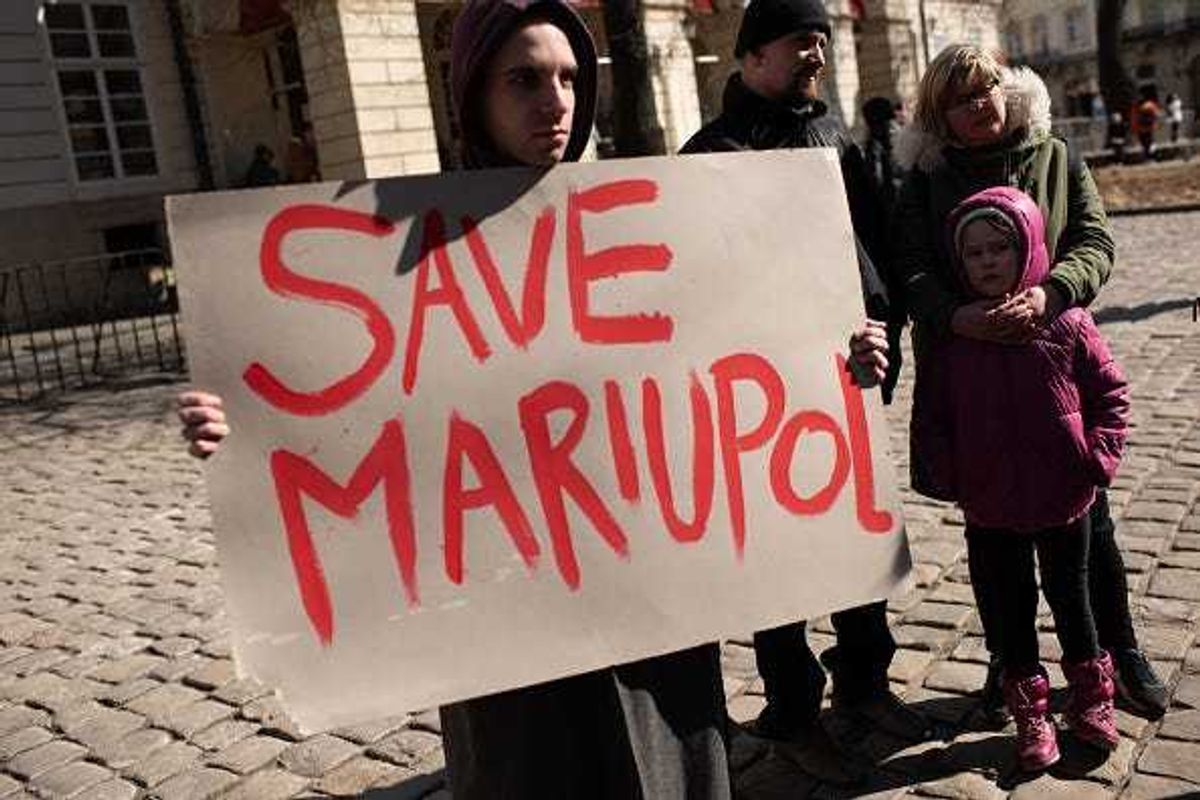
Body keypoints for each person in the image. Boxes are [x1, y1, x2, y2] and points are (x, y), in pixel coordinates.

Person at [181, 2, 736, 797]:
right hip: (505, 613)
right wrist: (239, 421)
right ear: (474, 92)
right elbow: (340, 407)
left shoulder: (649, 222)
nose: (556, 102)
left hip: (647, 597)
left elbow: (737, 360)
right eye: (524, 79)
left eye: (572, 78)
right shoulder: (404, 245)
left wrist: (832, 356)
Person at [679, 0, 928, 786]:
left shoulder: (834, 137)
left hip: (850, 376)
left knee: (856, 540)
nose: (816, 53)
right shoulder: (707, 154)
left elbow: (874, 242)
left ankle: (866, 681)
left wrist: (887, 327)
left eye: (822, 38)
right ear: (751, 57)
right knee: (777, 561)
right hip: (756, 398)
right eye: (799, 40)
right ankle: (791, 706)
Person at [892, 44, 1169, 724]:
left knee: (1090, 531)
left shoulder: (1053, 155)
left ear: (1006, 89)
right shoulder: (925, 180)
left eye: (985, 88)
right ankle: (1010, 665)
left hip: (1054, 375)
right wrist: (956, 315)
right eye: (959, 97)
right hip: (973, 374)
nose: (977, 104)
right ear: (938, 112)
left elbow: (1095, 240)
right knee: (995, 549)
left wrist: (1053, 295)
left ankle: (1118, 650)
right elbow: (910, 266)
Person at [922, 185, 1127, 771]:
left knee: (1074, 601)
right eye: (975, 254)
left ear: (1028, 249)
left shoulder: (1067, 323)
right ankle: (1029, 711)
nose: (987, 262)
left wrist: (1097, 458)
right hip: (990, 506)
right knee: (1008, 611)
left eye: (999, 249)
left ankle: (1092, 697)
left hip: (1064, 497)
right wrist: (952, 475)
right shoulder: (955, 341)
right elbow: (933, 416)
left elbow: (1110, 392)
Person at [1131, 86, 1160, 160]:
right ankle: (1148, 157)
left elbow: (1156, 114)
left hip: (1148, 127)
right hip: (1140, 127)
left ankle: (1152, 156)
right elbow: (1134, 116)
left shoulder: (1149, 104)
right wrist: (1134, 127)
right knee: (1144, 143)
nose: (1139, 96)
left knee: (1149, 142)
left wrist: (1153, 122)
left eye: (1140, 95)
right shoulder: (1137, 105)